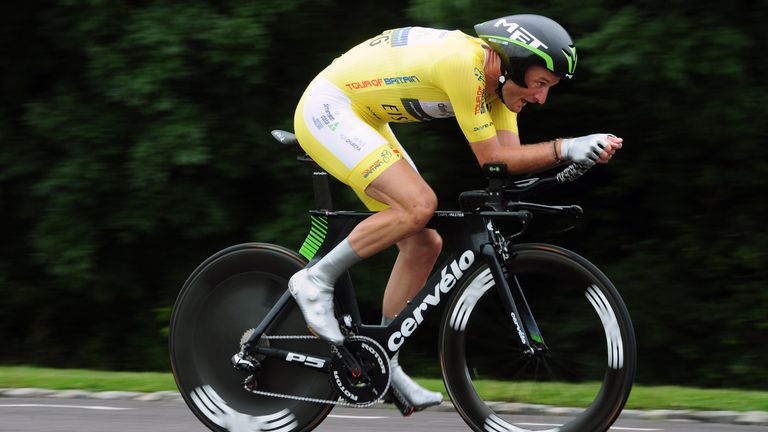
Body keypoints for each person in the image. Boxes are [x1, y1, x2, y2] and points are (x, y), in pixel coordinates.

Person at [288, 14, 623, 410]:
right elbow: (494, 158)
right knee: (418, 205)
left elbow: (504, 168)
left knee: (423, 242)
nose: (541, 98)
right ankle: (315, 280)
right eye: (540, 84)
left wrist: (572, 160)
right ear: (514, 63)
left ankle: (385, 359)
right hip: (329, 108)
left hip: (364, 117)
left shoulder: (500, 94)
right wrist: (566, 147)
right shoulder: (464, 64)